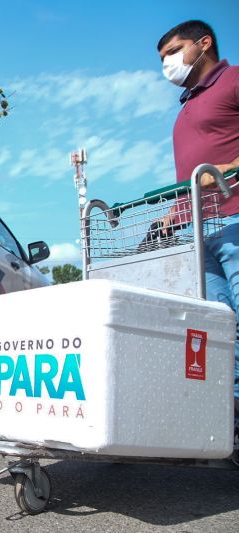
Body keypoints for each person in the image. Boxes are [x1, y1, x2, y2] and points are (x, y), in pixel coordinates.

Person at [157, 20, 239, 464]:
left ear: (204, 43)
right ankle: (231, 418)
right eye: (162, 58)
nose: (167, 63)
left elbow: (217, 167)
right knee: (221, 328)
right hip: (199, 230)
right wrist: (175, 212)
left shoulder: (233, 80)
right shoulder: (187, 104)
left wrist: (227, 168)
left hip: (235, 217)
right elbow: (193, 173)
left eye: (174, 50)